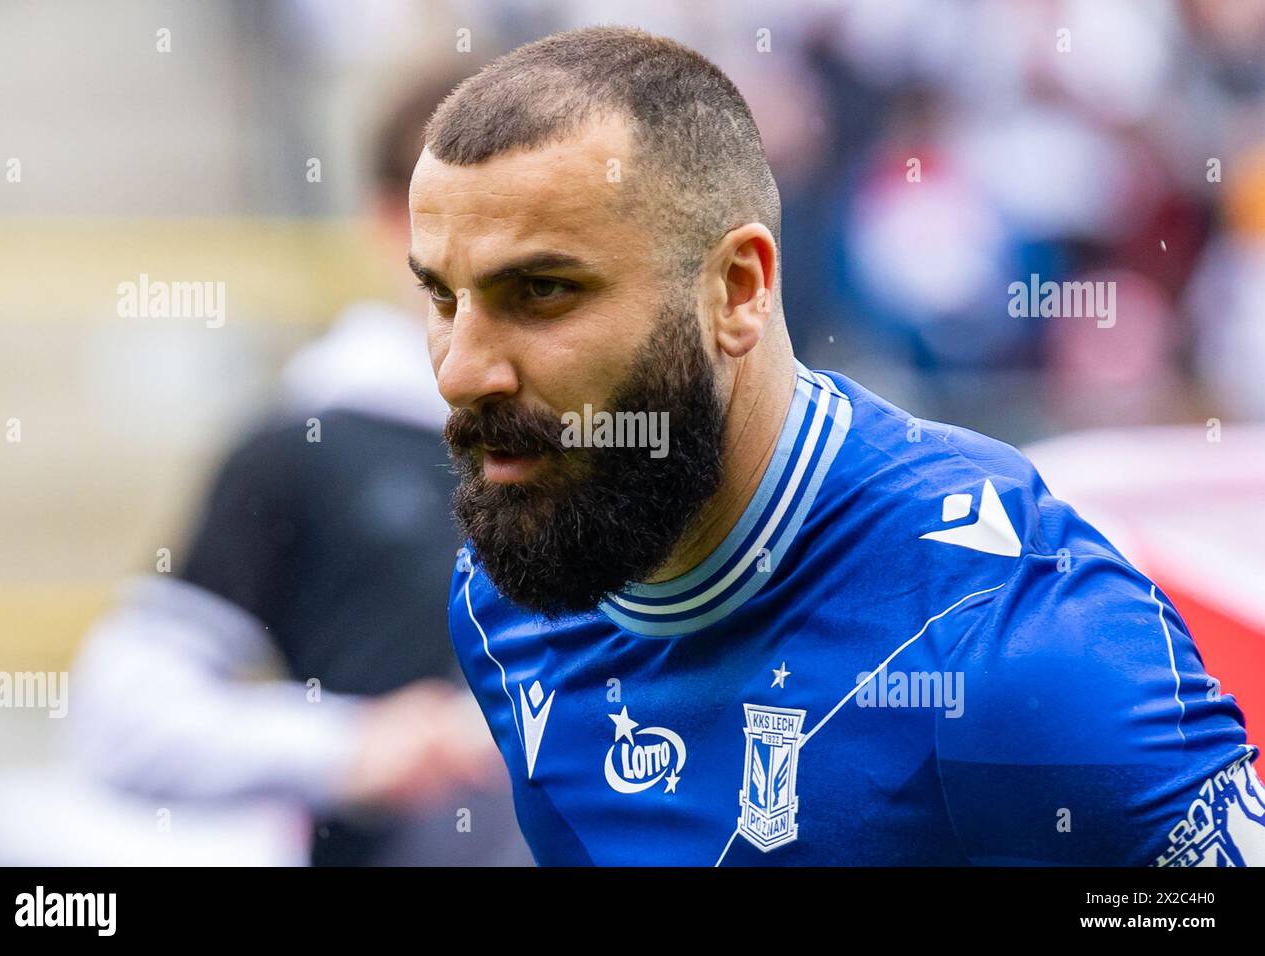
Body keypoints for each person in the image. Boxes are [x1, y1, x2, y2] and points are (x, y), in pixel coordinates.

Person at [407, 26, 1265, 866]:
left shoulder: (1014, 643)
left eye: (544, 290)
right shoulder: (505, 596)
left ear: (737, 290)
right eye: (444, 299)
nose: (461, 371)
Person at [69, 75, 531, 867]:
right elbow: (120, 715)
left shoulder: (619, 441)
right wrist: (356, 746)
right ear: (391, 224)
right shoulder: (307, 442)